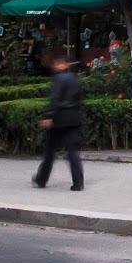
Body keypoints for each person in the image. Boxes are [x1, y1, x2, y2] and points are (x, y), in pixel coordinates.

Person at [34, 51, 85, 190]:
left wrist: (48, 116)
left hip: (59, 119)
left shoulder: (59, 79)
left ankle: (41, 179)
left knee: (50, 152)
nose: (54, 66)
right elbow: (80, 99)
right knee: (73, 152)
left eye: (56, 63)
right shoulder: (75, 79)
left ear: (62, 64)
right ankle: (78, 182)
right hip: (73, 117)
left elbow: (55, 99)